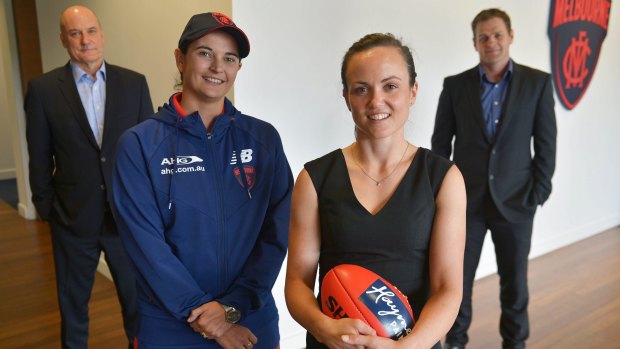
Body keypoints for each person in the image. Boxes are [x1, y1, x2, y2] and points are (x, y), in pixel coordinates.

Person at [110, 12, 293, 349]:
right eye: (205, 53)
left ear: (238, 68)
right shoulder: (139, 145)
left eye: (229, 58)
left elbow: (277, 231)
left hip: (251, 316)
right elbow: (145, 245)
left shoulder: (263, 139)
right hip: (169, 324)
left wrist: (232, 308)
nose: (217, 67)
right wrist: (210, 318)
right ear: (180, 59)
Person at [285, 33, 467, 349]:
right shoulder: (314, 178)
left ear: (413, 92)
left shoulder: (443, 178)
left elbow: (447, 288)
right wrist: (324, 328)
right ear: (346, 97)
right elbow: (298, 283)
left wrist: (403, 348)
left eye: (390, 86)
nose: (376, 101)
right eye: (361, 89)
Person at [24, 5, 153, 349]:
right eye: (75, 33)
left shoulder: (134, 83)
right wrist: (47, 208)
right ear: (63, 39)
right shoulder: (43, 90)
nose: (85, 40)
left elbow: (149, 154)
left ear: (102, 34)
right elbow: (38, 156)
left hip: (126, 219)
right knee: (73, 305)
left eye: (91, 31)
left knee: (137, 302)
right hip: (72, 218)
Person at [431, 8, 557, 349]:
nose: (491, 42)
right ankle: (454, 343)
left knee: (515, 284)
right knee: (456, 282)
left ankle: (515, 343)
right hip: (465, 206)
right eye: (484, 37)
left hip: (517, 203)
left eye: (498, 34)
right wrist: (443, 197)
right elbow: (441, 145)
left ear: (511, 36)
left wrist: (538, 192)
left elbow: (546, 145)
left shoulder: (538, 83)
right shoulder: (455, 86)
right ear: (474, 43)